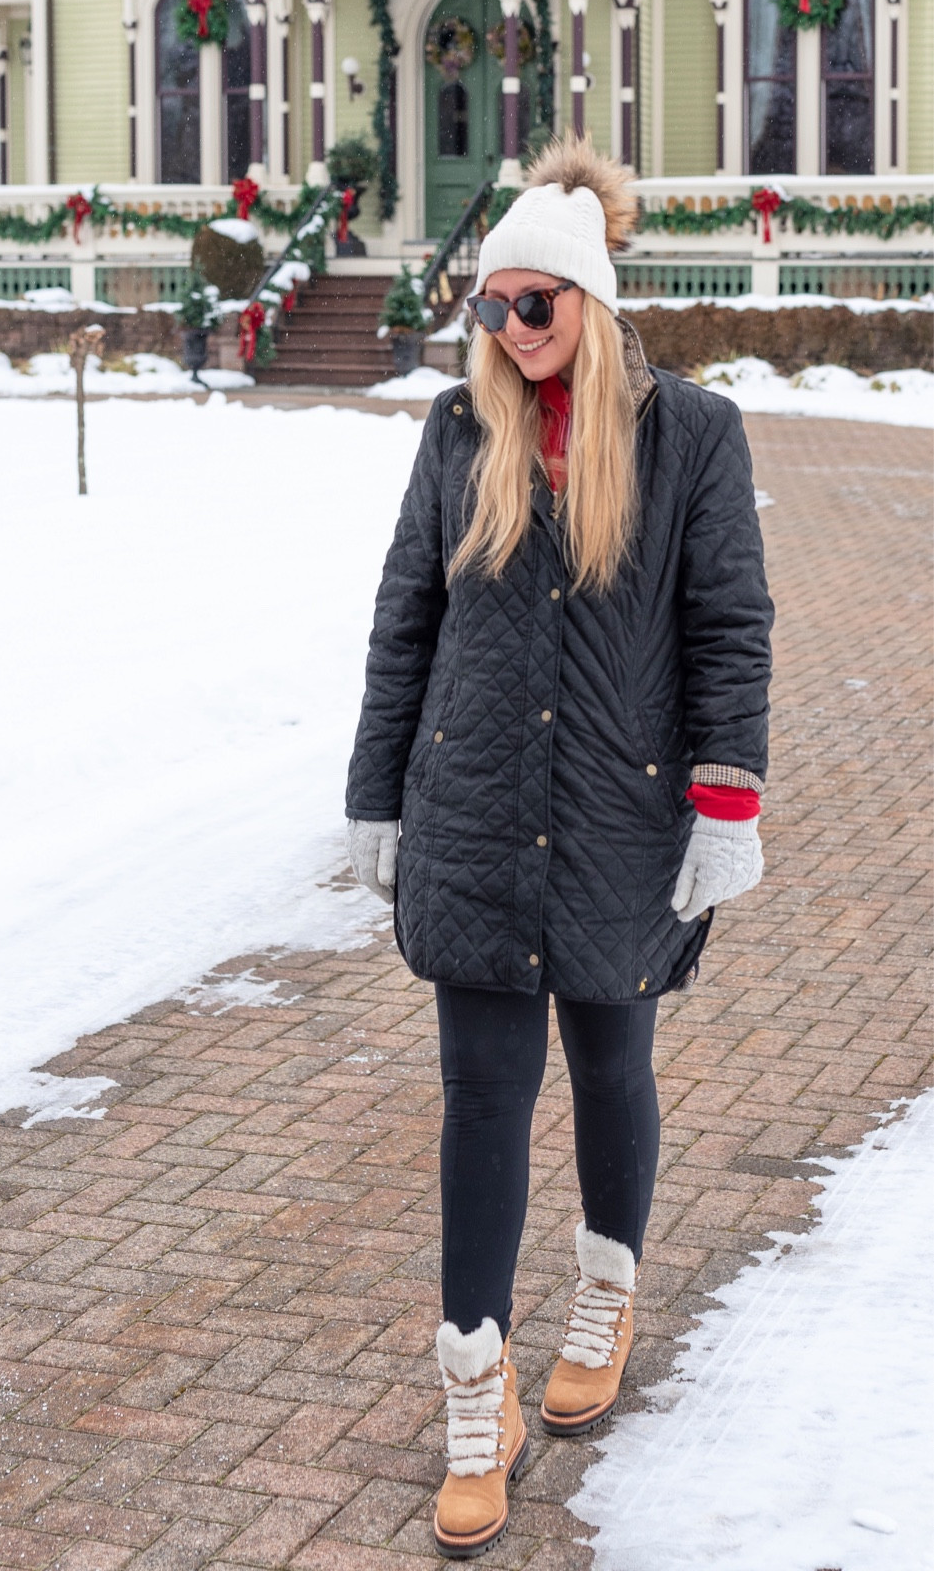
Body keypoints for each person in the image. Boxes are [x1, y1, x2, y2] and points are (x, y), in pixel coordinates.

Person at [345, 133, 773, 1559]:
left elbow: (727, 630)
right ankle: (476, 1387)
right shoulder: (456, 436)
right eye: (488, 305)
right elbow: (406, 619)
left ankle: (604, 1293)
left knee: (608, 1065)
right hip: (470, 812)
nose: (510, 331)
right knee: (479, 1097)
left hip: (614, 814)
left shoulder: (689, 435)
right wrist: (375, 797)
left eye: (534, 304)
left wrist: (724, 806)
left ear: (589, 299)